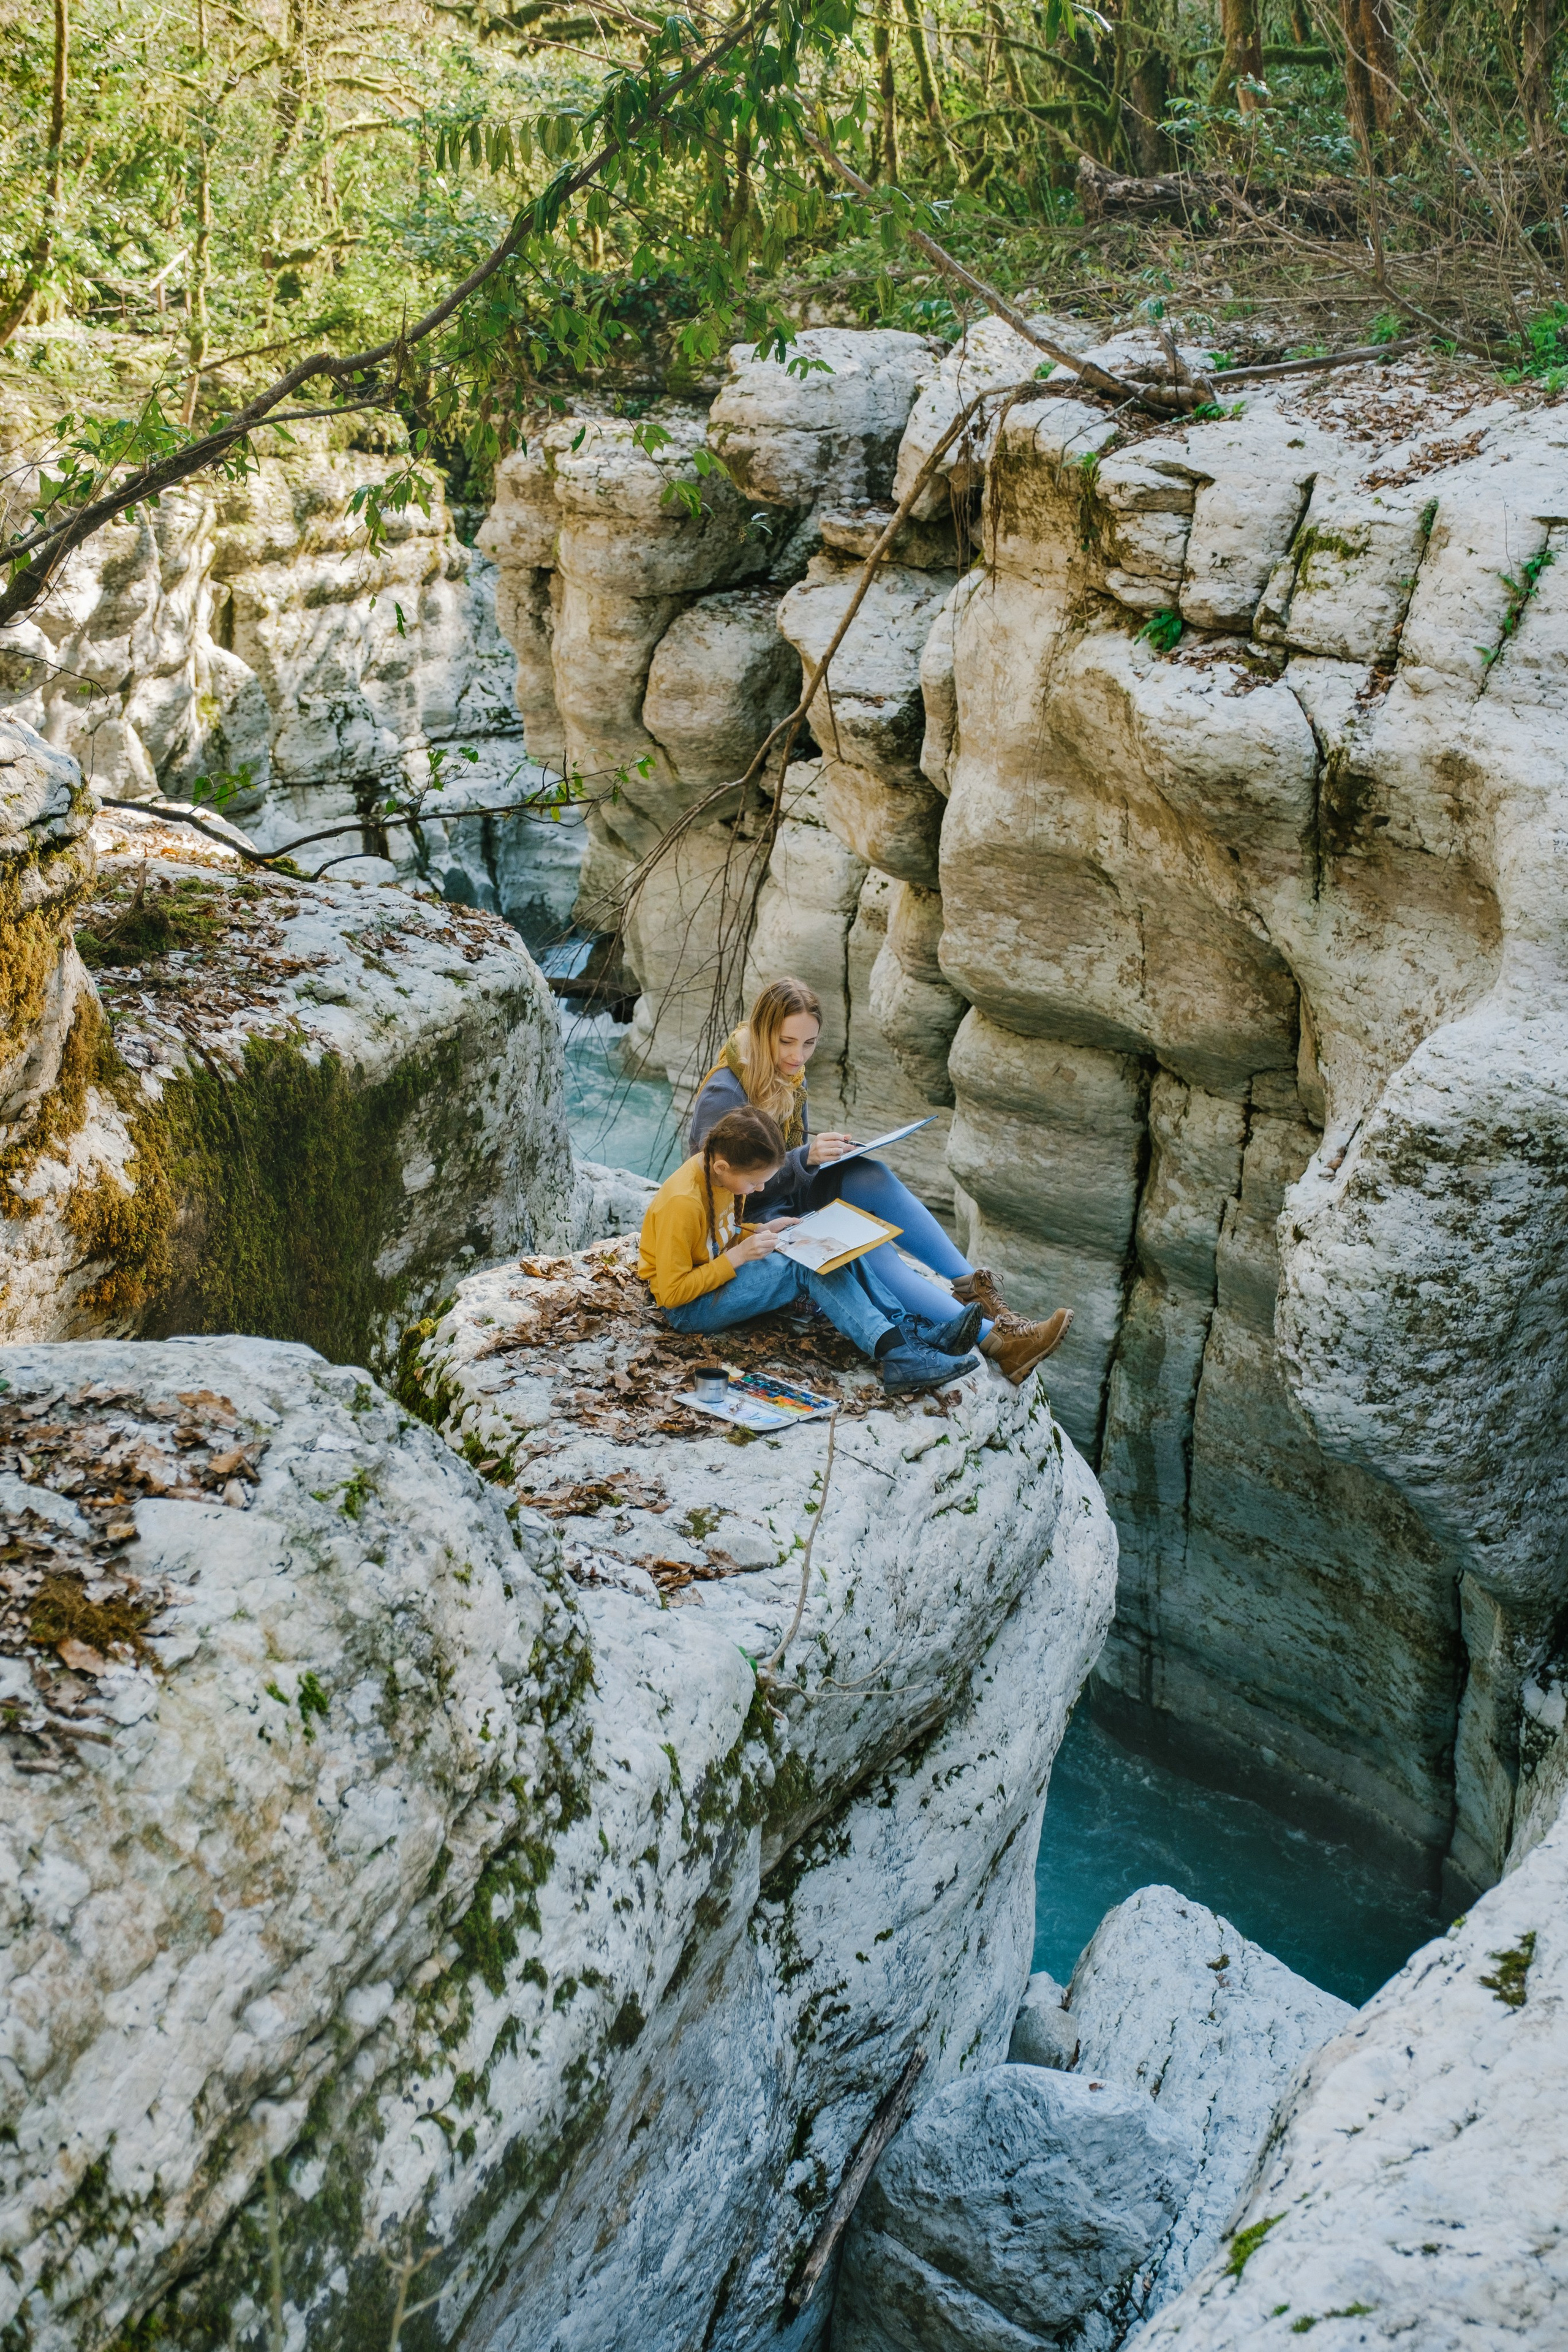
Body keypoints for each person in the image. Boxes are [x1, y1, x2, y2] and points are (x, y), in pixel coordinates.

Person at [688, 977, 1073, 1385]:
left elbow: (784, 1157)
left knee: (870, 1175)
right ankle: (998, 1341)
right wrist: (806, 1157)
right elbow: (721, 1186)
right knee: (864, 1241)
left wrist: (824, 1153)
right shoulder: (725, 1093)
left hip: (786, 1195)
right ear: (763, 1032)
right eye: (787, 1042)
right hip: (749, 1221)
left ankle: (974, 1289)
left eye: (809, 1043)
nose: (798, 1056)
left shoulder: (789, 1075)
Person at [638, 1104, 985, 1399]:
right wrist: (738, 1256)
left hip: (713, 1280)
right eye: (755, 1183)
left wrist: (759, 1230)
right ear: (722, 1168)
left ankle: (909, 1332)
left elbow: (717, 1234)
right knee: (804, 1266)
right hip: (689, 1309)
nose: (759, 1189)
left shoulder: (721, 1174)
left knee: (833, 1243)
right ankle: (897, 1355)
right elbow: (672, 1294)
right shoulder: (683, 1203)